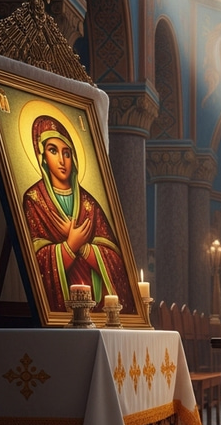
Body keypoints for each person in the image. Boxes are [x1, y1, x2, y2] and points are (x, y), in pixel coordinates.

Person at [23, 115, 136, 313]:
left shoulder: (89, 203)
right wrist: (69, 246)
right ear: (42, 156)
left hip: (96, 306)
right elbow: (34, 261)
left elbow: (116, 260)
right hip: (60, 310)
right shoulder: (35, 200)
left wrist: (84, 247)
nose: (62, 160)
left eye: (67, 153)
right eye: (53, 150)